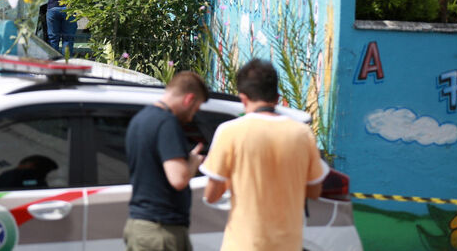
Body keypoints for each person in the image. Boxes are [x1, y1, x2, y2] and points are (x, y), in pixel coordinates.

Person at [200, 59, 329, 251]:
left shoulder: (230, 132)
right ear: (277, 98)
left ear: (243, 98)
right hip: (288, 245)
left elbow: (211, 195)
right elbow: (314, 192)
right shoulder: (302, 134)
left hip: (243, 245)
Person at [124, 71, 208, 251]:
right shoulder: (167, 123)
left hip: (139, 225)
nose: (193, 115)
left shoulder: (140, 119)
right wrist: (193, 162)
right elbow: (178, 179)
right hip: (161, 231)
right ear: (189, 99)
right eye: (196, 108)